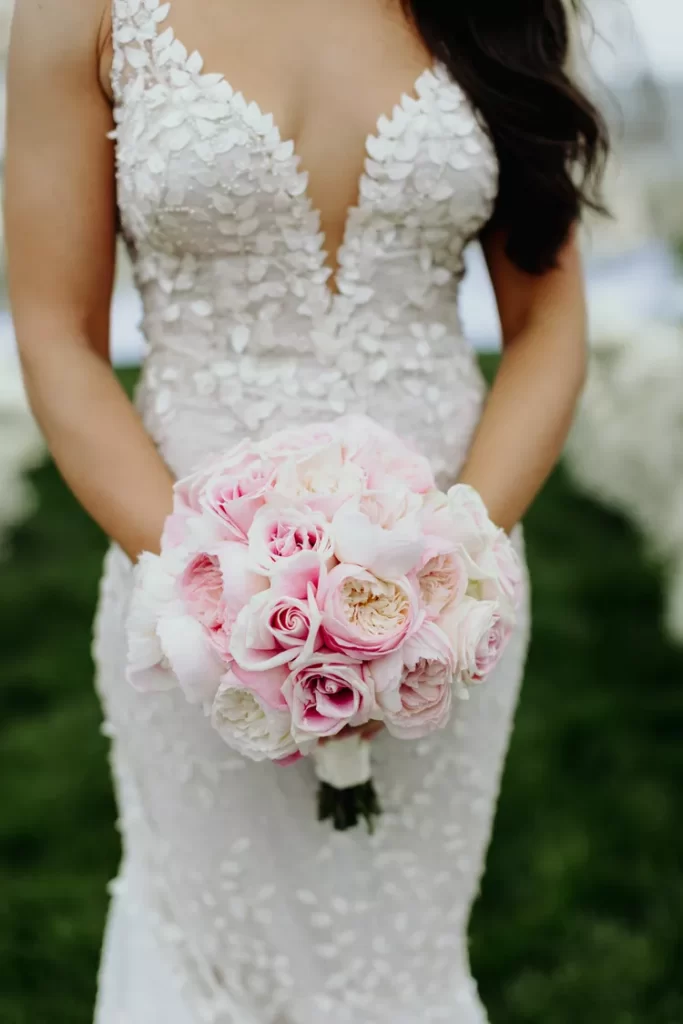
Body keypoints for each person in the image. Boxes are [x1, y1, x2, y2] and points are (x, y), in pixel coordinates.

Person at [4, 0, 607, 1021]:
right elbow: (55, 330)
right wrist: (217, 592)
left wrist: (448, 565)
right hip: (182, 587)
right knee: (215, 954)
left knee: (399, 956)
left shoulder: (495, 3)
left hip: (447, 599)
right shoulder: (76, 10)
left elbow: (546, 320)